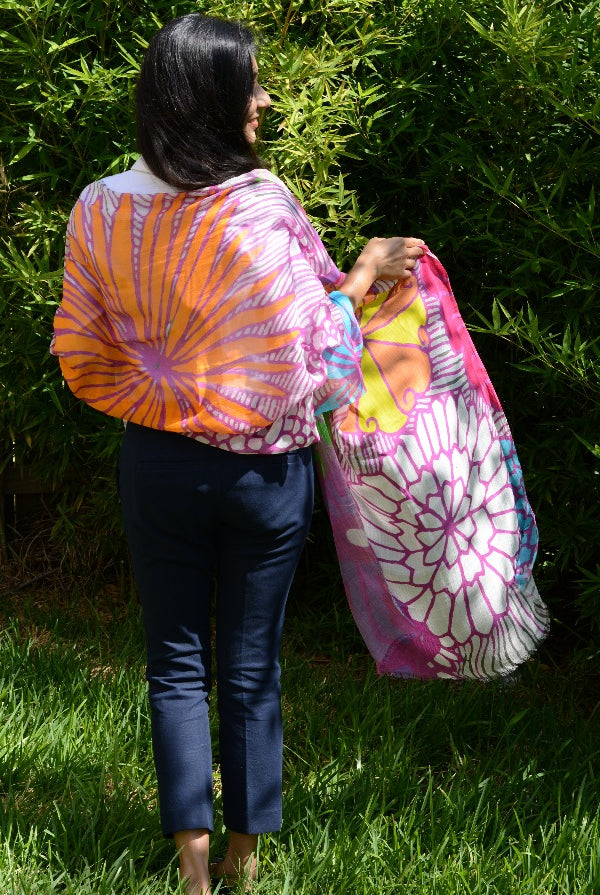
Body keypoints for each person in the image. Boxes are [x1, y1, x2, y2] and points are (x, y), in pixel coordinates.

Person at [51, 12, 424, 893]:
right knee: (251, 664)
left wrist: (162, 396)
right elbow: (316, 358)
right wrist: (366, 275)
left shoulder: (101, 206)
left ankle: (191, 874)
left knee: (174, 662)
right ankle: (246, 866)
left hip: (159, 463)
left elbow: (81, 346)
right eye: (249, 83)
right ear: (210, 99)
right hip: (263, 476)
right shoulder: (260, 205)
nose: (262, 99)